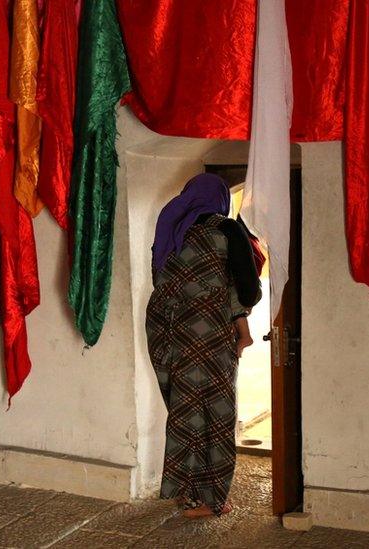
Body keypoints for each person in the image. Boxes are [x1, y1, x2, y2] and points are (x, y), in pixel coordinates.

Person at [146, 173, 261, 518]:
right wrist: (241, 324)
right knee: (216, 416)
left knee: (184, 413)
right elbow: (245, 289)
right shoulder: (226, 231)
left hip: (171, 335)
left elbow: (162, 284)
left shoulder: (172, 229)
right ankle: (211, 501)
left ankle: (187, 495)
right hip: (210, 340)